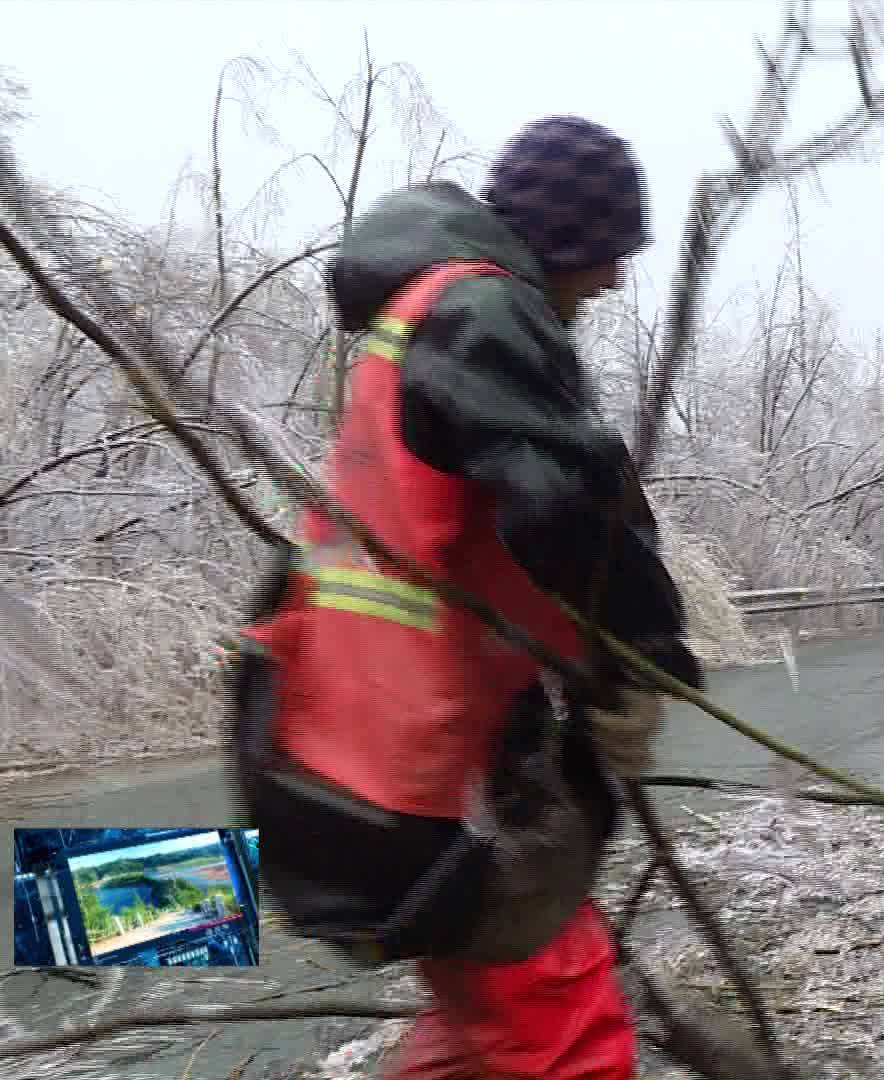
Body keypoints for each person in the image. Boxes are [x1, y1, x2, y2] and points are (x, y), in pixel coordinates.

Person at [227, 116, 705, 1080]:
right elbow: (567, 499)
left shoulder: (408, 326)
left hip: (322, 754)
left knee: (484, 1025)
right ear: (559, 239)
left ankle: (57, 918)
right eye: (606, 254)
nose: (613, 281)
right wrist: (637, 665)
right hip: (419, 783)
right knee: (567, 1033)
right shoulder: (480, 311)